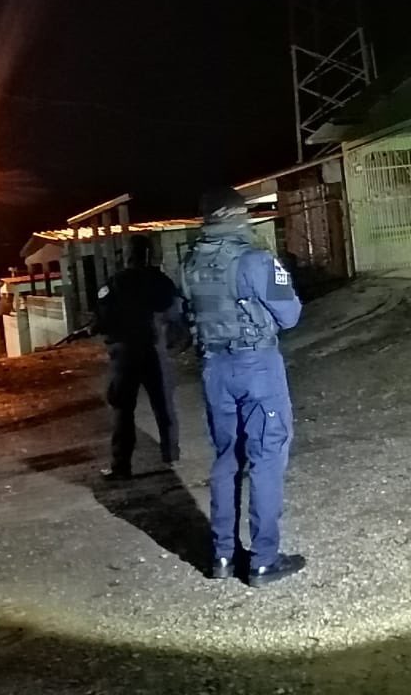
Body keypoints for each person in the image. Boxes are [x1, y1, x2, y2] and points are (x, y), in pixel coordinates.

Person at [181, 187, 306, 587]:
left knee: (227, 457)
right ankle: (263, 561)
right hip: (256, 365)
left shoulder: (191, 262)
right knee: (266, 456)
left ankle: (222, 556)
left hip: (214, 367)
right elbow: (290, 315)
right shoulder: (254, 259)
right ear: (238, 216)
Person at [93, 233, 182, 479]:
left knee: (123, 409)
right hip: (152, 349)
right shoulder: (160, 280)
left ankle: (121, 466)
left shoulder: (115, 282)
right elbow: (172, 310)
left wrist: (98, 327)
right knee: (162, 405)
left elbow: (102, 318)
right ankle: (171, 455)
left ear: (127, 255)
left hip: (124, 354)